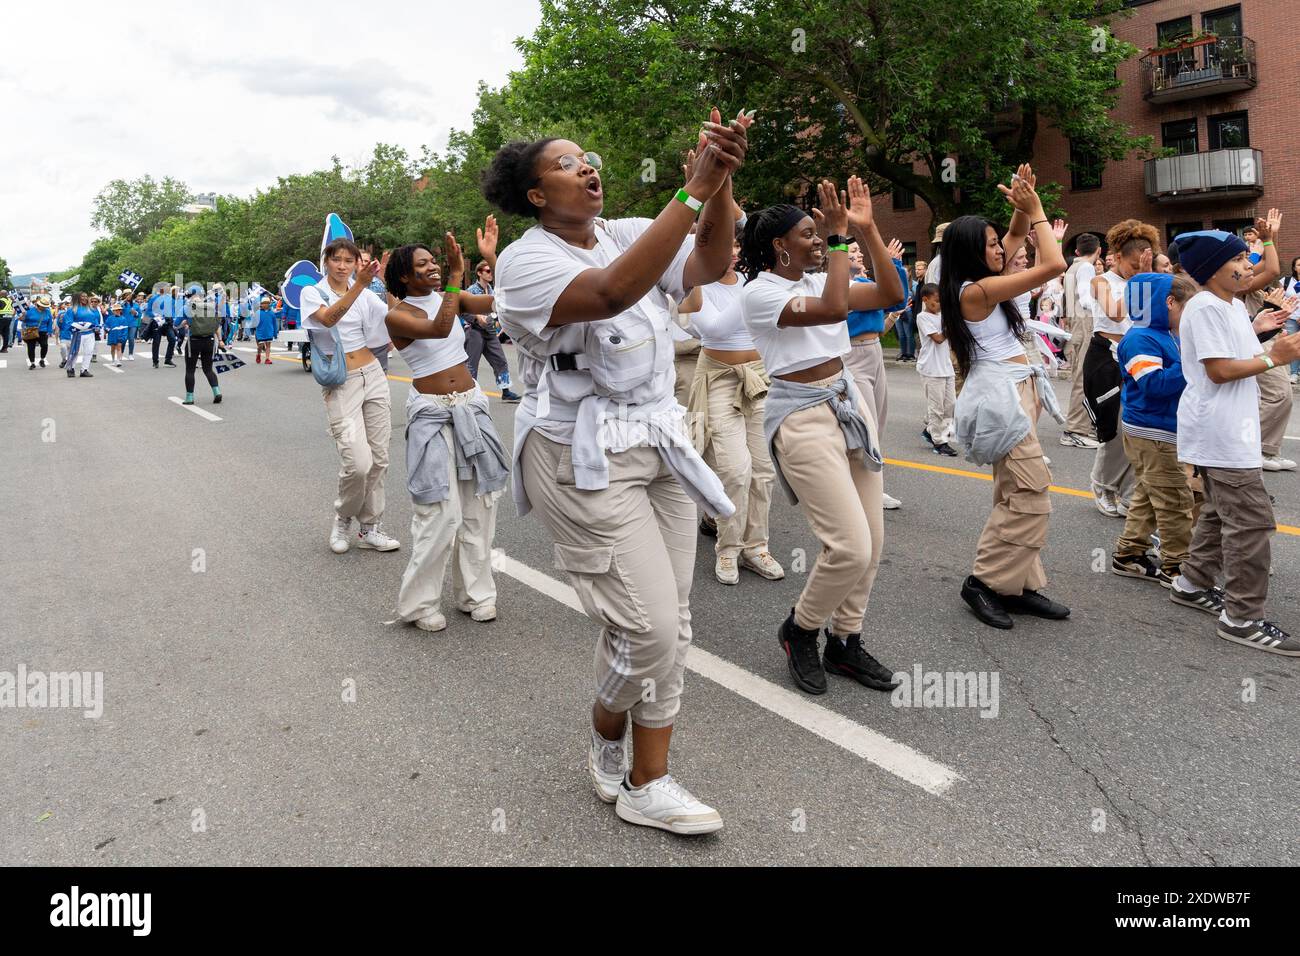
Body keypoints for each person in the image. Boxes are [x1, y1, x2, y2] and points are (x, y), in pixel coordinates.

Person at [486, 113, 747, 835]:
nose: (589, 168)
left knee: (671, 623)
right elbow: (608, 295)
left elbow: (707, 265)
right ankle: (609, 729)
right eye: (569, 164)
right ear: (536, 195)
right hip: (578, 455)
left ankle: (646, 778)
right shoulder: (524, 262)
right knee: (649, 628)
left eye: (589, 157)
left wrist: (718, 181)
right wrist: (692, 192)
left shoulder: (630, 228)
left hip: (656, 440)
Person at [740, 177, 903, 696]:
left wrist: (867, 228)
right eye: (807, 234)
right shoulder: (760, 293)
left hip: (846, 402)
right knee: (849, 547)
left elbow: (891, 293)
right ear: (778, 246)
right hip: (801, 418)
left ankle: (846, 640)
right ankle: (800, 629)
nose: (818, 241)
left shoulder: (817, 280)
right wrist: (837, 242)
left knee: (873, 542)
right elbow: (835, 310)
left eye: (820, 233)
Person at [944, 164, 1070, 630]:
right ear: (971, 254)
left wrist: (1022, 204)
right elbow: (1054, 264)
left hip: (1019, 393)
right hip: (1002, 399)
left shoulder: (987, 276)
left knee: (1013, 491)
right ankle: (984, 582)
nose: (1002, 249)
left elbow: (1017, 234)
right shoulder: (976, 291)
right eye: (992, 245)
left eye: (999, 243)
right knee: (1031, 494)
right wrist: (1037, 211)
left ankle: (1018, 585)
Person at [1167, 230, 1300, 654]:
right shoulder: (1205, 307)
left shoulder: (1226, 304)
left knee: (1221, 514)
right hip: (1221, 432)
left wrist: (1260, 333)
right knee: (1252, 522)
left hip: (1229, 430)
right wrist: (1274, 356)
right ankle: (1242, 618)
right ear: (1212, 268)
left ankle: (1191, 583)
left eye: (1246, 258)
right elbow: (1219, 370)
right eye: (1239, 259)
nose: (1247, 266)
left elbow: (1232, 356)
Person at [385, 238, 508, 632]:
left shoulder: (450, 298)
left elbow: (504, 301)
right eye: (423, 264)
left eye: (434, 261)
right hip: (431, 414)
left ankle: (477, 594)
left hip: (471, 405)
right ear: (405, 275)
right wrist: (457, 275)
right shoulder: (398, 314)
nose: (434, 267)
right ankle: (419, 604)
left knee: (479, 506)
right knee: (440, 512)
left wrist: (491, 259)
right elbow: (438, 330)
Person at [678, 227, 783, 586]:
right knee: (734, 470)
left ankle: (756, 547)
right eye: (727, 244)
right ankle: (727, 548)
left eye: (737, 244)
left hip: (758, 377)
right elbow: (717, 328)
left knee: (764, 470)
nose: (734, 252)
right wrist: (756, 291)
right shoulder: (697, 286)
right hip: (718, 378)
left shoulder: (751, 283)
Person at [301, 240, 401, 556]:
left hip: (373, 374)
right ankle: (343, 518)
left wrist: (386, 282)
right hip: (342, 381)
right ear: (326, 262)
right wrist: (360, 285)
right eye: (337, 260)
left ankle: (370, 527)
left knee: (379, 458)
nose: (342, 266)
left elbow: (396, 317)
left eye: (349, 260)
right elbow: (328, 319)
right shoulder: (312, 293)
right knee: (358, 463)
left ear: (357, 263)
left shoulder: (367, 294)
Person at [1110, 273, 1198, 585]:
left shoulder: (1164, 333)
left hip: (1159, 429)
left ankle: (1129, 554)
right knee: (1175, 501)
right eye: (1185, 307)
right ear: (1168, 303)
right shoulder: (1140, 338)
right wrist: (1193, 362)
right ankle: (1176, 568)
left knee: (1150, 494)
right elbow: (1153, 384)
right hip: (1152, 431)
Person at [1083, 220, 1157, 517]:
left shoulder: (1146, 278)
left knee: (1137, 428)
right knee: (1114, 427)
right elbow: (1114, 312)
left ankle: (1127, 492)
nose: (1136, 270)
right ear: (1119, 257)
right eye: (1133, 265)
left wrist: (1147, 277)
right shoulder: (1101, 282)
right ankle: (1102, 484)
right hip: (1104, 358)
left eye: (1142, 265)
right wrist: (1141, 280)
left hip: (1137, 358)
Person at [841, 238, 910, 509]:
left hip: (874, 352)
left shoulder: (864, 285)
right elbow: (893, 296)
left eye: (860, 250)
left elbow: (895, 303)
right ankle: (866, 488)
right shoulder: (845, 286)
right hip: (852, 355)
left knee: (878, 420)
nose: (859, 255)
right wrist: (892, 264)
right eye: (854, 251)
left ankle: (868, 483)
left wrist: (894, 267)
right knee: (866, 424)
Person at [461, 238, 522, 402]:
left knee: (500, 360)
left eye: (491, 271)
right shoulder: (471, 290)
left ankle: (506, 391)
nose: (490, 273)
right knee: (472, 363)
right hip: (474, 331)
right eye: (487, 271)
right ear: (479, 273)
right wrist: (475, 317)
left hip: (490, 331)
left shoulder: (492, 289)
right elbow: (462, 310)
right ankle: (469, 392)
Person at [1060, 234, 1103, 448]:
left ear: (1077, 251)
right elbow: (1086, 298)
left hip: (1076, 323)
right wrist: (1105, 302)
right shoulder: (1087, 267)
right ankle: (1075, 430)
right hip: (1085, 323)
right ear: (1099, 251)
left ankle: (1080, 427)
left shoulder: (1072, 267)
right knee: (1083, 378)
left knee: (1082, 376)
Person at [914, 283, 958, 456]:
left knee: (951, 405)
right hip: (931, 368)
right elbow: (938, 338)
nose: (940, 304)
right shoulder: (922, 317)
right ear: (925, 300)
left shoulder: (942, 316)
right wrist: (951, 325)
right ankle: (939, 442)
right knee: (936, 407)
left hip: (946, 366)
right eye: (937, 301)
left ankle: (933, 431)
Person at [181, 288, 223, 406]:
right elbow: (217, 325)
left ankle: (190, 397)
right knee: (208, 369)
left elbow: (176, 324)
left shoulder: (187, 307)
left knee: (190, 370)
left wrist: (183, 324)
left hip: (193, 341)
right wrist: (220, 340)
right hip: (209, 340)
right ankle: (217, 391)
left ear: (189, 296)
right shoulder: (211, 306)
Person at [64, 293, 101, 378]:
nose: (85, 298)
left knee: (89, 351)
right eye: (82, 296)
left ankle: (84, 370)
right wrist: (78, 326)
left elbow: (95, 320)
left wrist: (97, 327)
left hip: (90, 333)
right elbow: (68, 322)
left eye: (86, 296)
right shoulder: (72, 309)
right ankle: (70, 369)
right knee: (75, 352)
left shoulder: (91, 309)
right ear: (77, 298)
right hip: (78, 334)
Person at [19, 295, 54, 369]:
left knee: (44, 345)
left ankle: (42, 359)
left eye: (46, 306)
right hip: (31, 330)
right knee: (31, 347)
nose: (45, 307)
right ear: (38, 305)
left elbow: (50, 321)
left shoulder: (47, 311)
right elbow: (23, 320)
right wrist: (23, 316)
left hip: (43, 331)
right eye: (43, 306)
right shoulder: (29, 310)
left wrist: (49, 331)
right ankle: (32, 363)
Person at [148, 286, 178, 368]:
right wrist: (156, 316)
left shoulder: (170, 299)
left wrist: (174, 318)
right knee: (156, 342)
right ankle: (155, 361)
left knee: (172, 339)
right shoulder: (154, 298)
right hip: (157, 323)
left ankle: (168, 359)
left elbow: (173, 310)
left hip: (168, 323)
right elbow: (149, 311)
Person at [254, 296, 279, 364]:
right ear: (261, 304)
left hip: (269, 331)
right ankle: (258, 354)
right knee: (260, 346)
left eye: (267, 303)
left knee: (268, 345)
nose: (265, 304)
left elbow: (274, 324)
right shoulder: (258, 313)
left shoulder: (272, 313)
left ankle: (267, 359)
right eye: (264, 303)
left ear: (269, 304)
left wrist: (275, 333)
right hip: (260, 332)